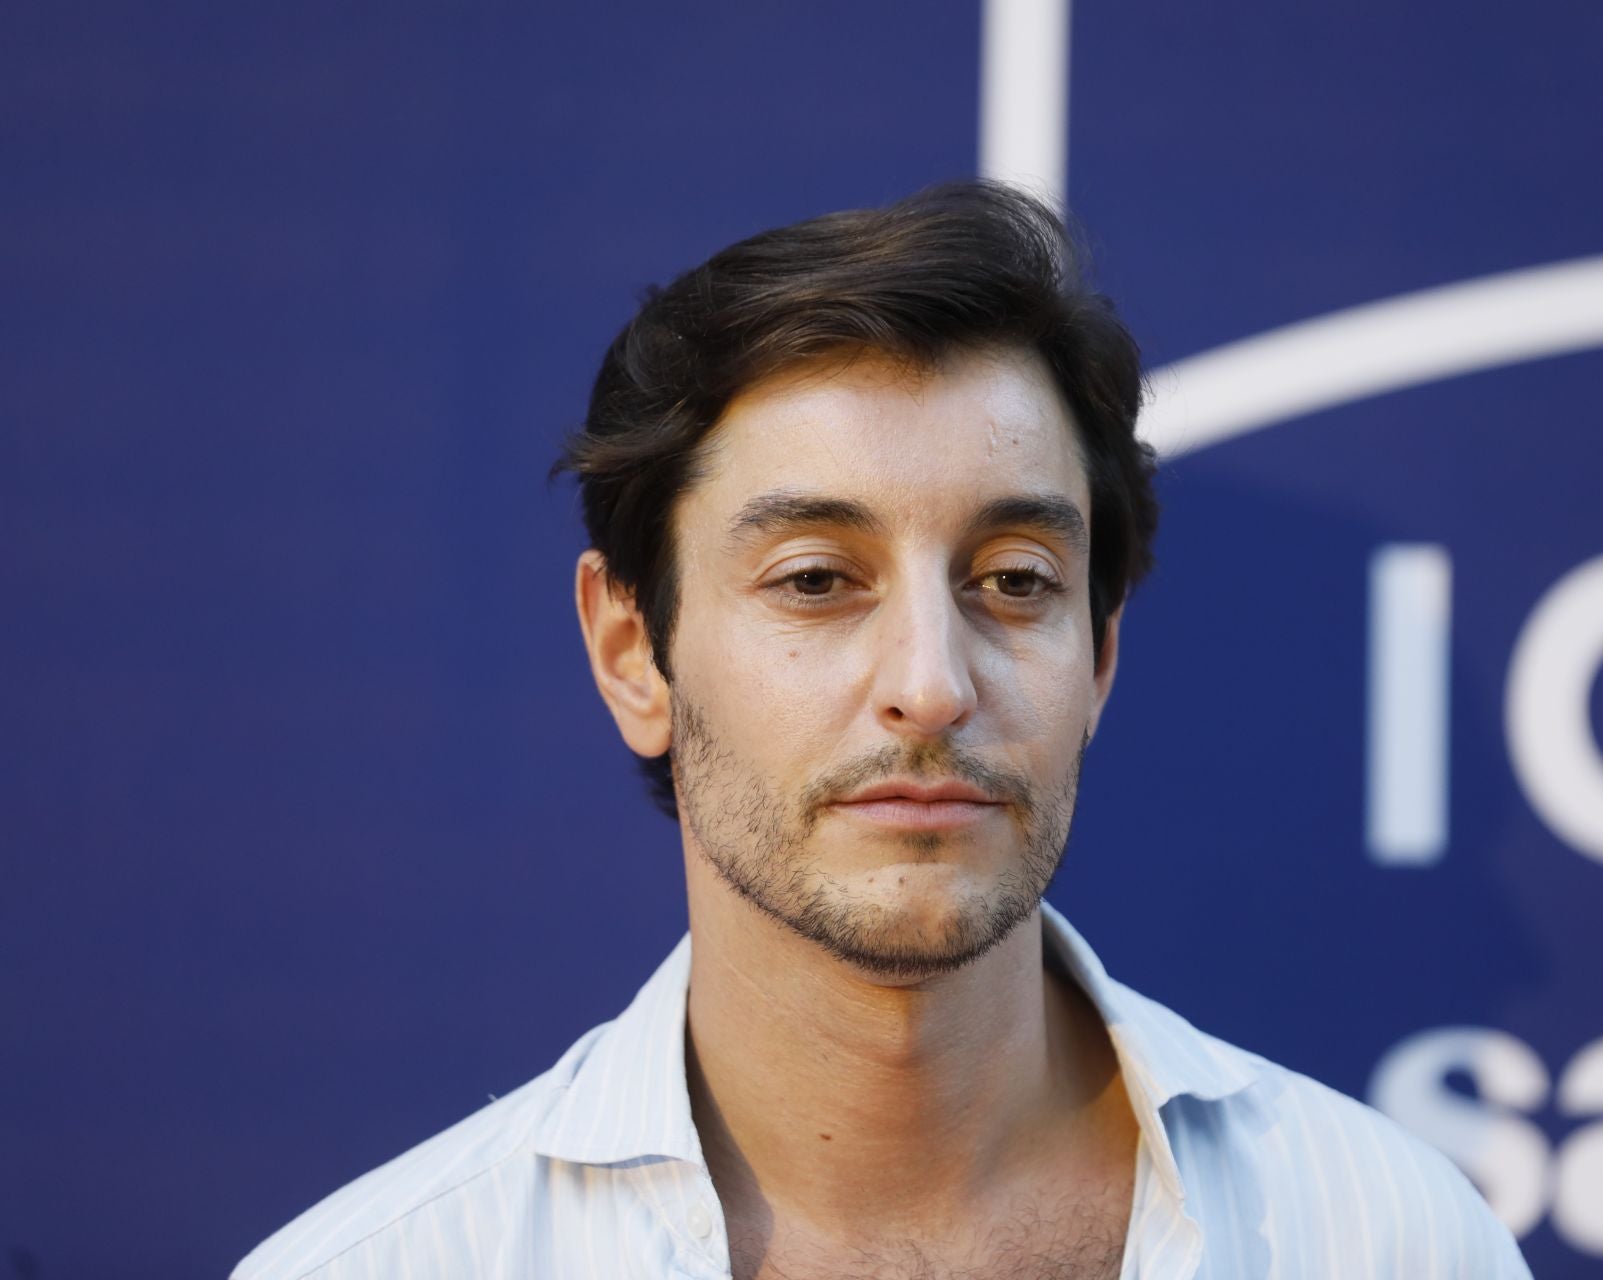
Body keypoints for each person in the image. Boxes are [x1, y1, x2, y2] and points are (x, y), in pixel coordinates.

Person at [235, 180, 1531, 1279]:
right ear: (634, 652)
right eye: (815, 578)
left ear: (1103, 656)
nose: (931, 683)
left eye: (1016, 580)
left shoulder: (1391, 1241)